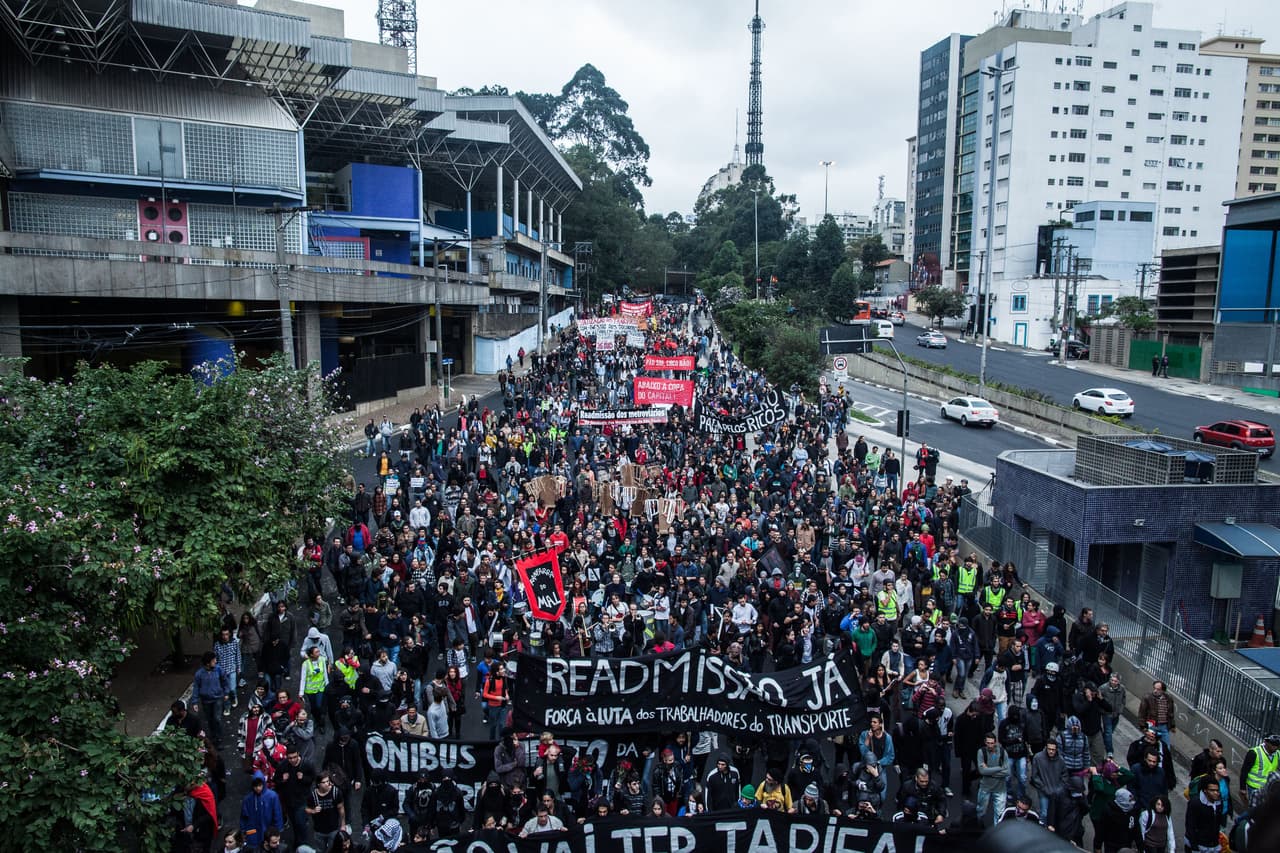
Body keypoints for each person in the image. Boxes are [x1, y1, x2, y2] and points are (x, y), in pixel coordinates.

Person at [191, 651, 232, 744]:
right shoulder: (199, 674)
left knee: (217, 718)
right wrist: (195, 701)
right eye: (213, 660)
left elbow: (225, 681)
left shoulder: (218, 670)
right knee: (210, 719)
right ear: (207, 663)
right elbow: (196, 687)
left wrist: (226, 693)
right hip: (206, 700)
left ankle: (219, 737)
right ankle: (213, 735)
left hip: (217, 698)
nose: (215, 661)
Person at [240, 771, 283, 852]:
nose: (258, 788)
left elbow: (277, 814)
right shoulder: (248, 799)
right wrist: (243, 831)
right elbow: (244, 816)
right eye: (255, 786)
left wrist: (278, 830)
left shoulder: (272, 796)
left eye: (260, 785)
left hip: (268, 829)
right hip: (253, 831)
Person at [977, 732, 1010, 827]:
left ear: (995, 742)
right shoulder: (981, 752)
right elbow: (982, 771)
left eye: (992, 743)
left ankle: (997, 833)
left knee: (999, 814)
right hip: (985, 787)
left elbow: (1007, 772)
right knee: (980, 810)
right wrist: (1000, 768)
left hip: (1000, 788)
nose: (990, 745)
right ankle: (979, 826)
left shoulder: (1003, 752)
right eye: (988, 743)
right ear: (985, 742)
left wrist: (989, 771)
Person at [1241, 732, 1280, 809]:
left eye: (1277, 745)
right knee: (1254, 810)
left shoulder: (1277, 754)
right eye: (1273, 744)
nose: (1275, 747)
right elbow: (1244, 770)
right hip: (1254, 787)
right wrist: (1242, 788)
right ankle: (1240, 820)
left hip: (1268, 787)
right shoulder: (1254, 753)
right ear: (1265, 742)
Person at [1137, 680, 1177, 750]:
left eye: (1158, 689)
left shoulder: (1168, 698)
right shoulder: (1147, 697)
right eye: (1154, 688)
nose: (1155, 691)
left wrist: (1172, 725)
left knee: (1166, 748)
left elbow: (1171, 713)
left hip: (1164, 726)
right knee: (1149, 746)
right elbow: (1142, 713)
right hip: (1152, 726)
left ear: (1163, 691)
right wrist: (1143, 727)